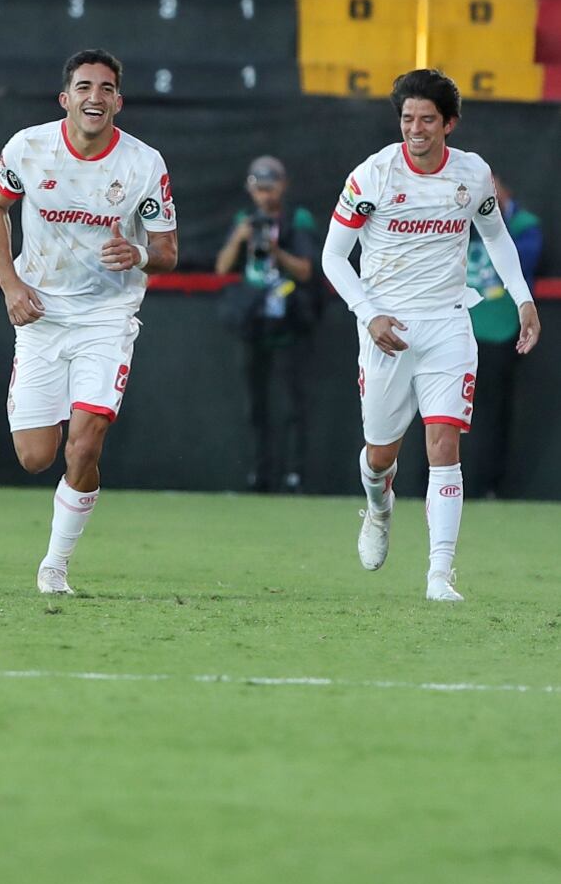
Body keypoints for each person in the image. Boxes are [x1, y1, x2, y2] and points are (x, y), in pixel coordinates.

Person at [321, 69, 540, 602]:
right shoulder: (373, 175)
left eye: (426, 119)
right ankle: (378, 505)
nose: (414, 129)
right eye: (406, 119)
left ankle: (439, 575)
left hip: (447, 323)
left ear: (450, 124)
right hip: (386, 328)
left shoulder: (472, 175)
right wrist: (368, 313)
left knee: (444, 445)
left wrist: (524, 299)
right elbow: (332, 256)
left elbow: (496, 238)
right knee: (379, 455)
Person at [0, 48, 178, 595]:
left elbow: (167, 250)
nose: (96, 96)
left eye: (106, 88)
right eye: (85, 87)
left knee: (85, 444)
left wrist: (137, 256)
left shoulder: (144, 163)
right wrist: (11, 285)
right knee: (35, 456)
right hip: (41, 312)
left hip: (106, 316)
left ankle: (55, 564)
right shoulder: (29, 147)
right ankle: (72, 480)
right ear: (65, 98)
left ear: (118, 100)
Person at [214, 155, 321, 493]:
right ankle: (259, 474)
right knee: (255, 404)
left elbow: (305, 270)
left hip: (289, 319)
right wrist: (240, 237)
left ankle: (295, 474)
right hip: (254, 320)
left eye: (270, 187)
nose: (265, 195)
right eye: (259, 188)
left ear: (283, 186)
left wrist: (275, 249)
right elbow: (222, 268)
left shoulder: (296, 219)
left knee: (294, 403)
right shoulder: (245, 219)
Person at [465, 177, 543, 498]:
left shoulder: (523, 226)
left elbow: (521, 263)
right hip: (459, 328)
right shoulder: (456, 222)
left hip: (500, 330)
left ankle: (488, 485)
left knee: (493, 413)